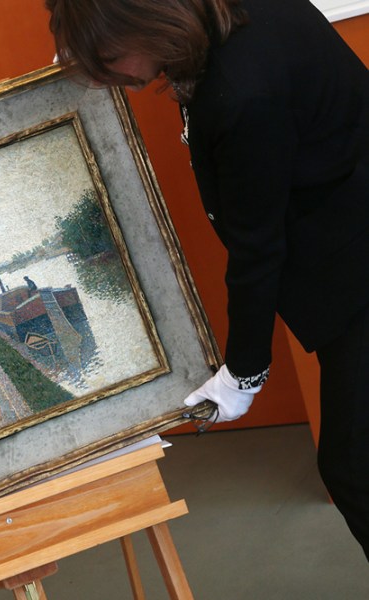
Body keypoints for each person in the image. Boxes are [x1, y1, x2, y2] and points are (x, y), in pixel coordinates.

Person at [46, 0, 369, 560]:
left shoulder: (242, 91)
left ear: (145, 22)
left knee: (354, 467)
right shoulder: (237, 20)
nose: (115, 78)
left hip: (355, 262)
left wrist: (244, 372)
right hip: (348, 238)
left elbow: (256, 248)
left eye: (113, 58)